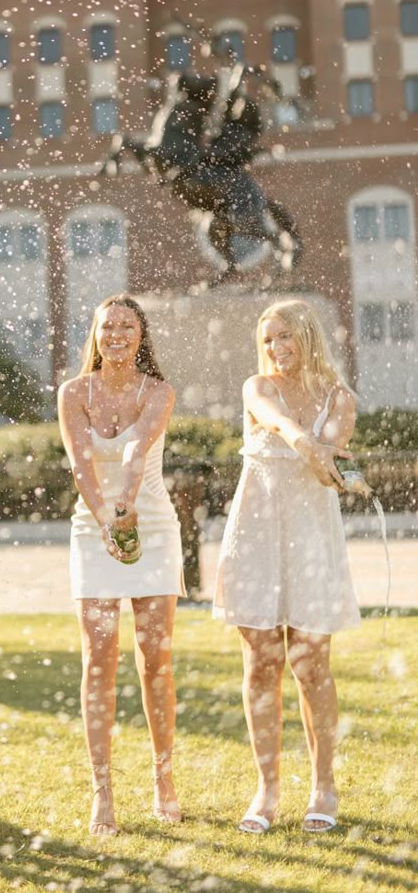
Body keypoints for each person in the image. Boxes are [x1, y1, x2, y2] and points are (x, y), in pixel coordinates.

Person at [213, 299, 361, 835]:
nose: (276, 349)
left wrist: (334, 466)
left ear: (308, 337)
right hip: (255, 535)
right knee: (260, 661)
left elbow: (332, 465)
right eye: (268, 339)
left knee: (312, 664)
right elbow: (273, 421)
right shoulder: (259, 387)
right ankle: (267, 788)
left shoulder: (340, 399)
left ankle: (323, 785)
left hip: (311, 540)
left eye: (285, 337)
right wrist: (305, 442)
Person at [58, 294, 186, 836]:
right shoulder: (72, 393)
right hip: (93, 530)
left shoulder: (158, 392)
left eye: (126, 326)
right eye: (106, 326)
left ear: (141, 336)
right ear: (94, 335)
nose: (115, 334)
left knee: (155, 657)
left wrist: (126, 511)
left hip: (151, 526)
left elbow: (135, 456)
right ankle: (102, 791)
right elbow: (82, 467)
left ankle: (163, 777)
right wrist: (107, 520)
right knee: (98, 662)